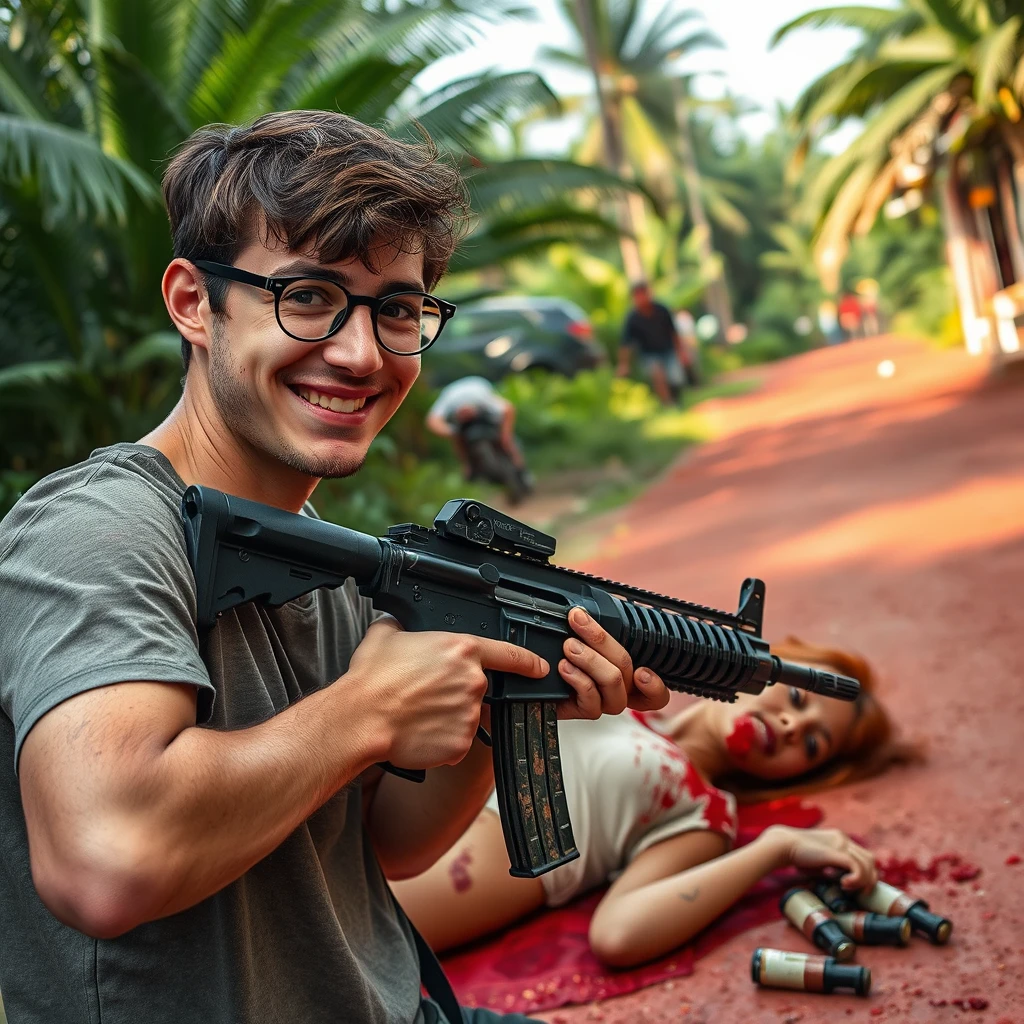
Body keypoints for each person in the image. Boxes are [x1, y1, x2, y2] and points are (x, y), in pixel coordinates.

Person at [0, 111, 672, 1024]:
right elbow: (106, 859)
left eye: (397, 309)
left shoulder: (326, 554)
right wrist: (369, 709)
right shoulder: (97, 530)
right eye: (308, 296)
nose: (362, 354)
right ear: (194, 302)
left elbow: (390, 843)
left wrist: (506, 693)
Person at [394, 638, 917, 967]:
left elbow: (620, 934)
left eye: (811, 744)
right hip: (380, 797)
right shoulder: (615, 685)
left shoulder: (704, 812)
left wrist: (775, 848)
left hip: (403, 891)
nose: (790, 725)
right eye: (798, 700)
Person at [425, 375, 530, 493]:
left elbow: (508, 410)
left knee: (507, 442)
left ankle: (521, 469)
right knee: (458, 438)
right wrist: (452, 432)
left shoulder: (480, 398)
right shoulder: (450, 400)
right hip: (463, 422)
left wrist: (505, 435)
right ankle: (467, 465)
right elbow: (432, 421)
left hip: (482, 399)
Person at [617, 282, 690, 405]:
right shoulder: (632, 318)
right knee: (657, 376)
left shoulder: (662, 310)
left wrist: (681, 352)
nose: (641, 299)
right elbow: (625, 344)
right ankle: (667, 404)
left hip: (668, 350)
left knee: (675, 379)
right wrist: (624, 364)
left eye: (643, 294)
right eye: (637, 296)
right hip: (649, 354)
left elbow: (674, 333)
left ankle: (676, 399)